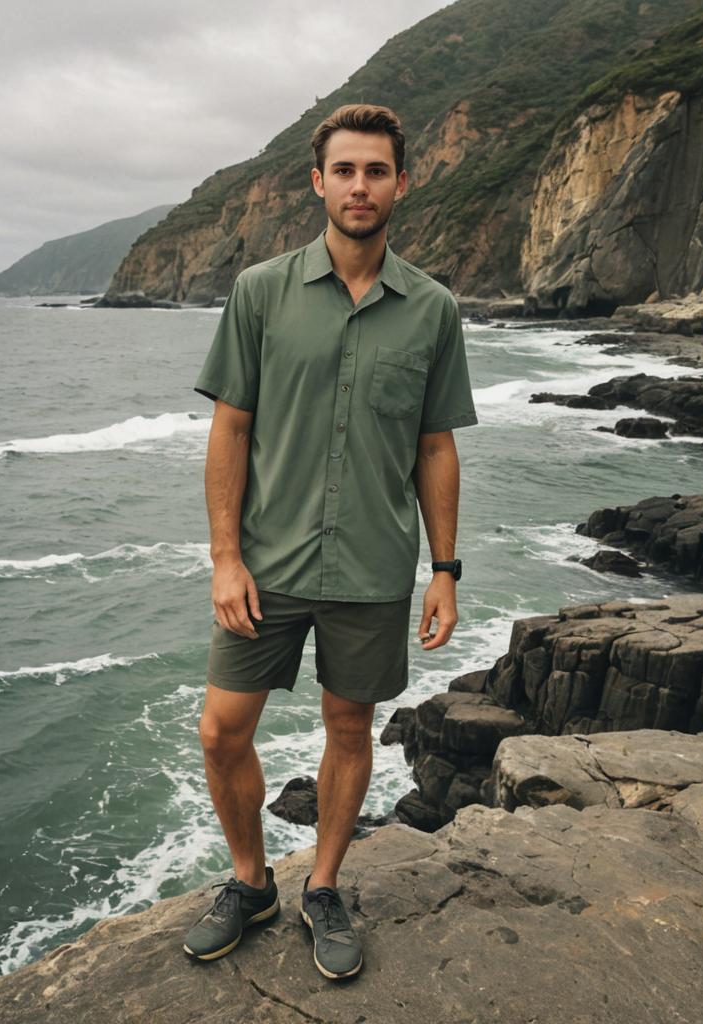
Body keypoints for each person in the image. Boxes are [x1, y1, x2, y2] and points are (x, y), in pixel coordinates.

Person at [182, 103, 479, 980]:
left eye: (375, 171)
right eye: (344, 171)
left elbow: (435, 446)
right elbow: (229, 430)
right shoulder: (261, 292)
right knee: (219, 730)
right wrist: (225, 556)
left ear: (400, 182)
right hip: (266, 563)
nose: (359, 186)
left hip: (372, 567)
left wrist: (447, 571)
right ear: (317, 182)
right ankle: (249, 882)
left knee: (350, 728)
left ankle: (323, 887)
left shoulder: (433, 309)